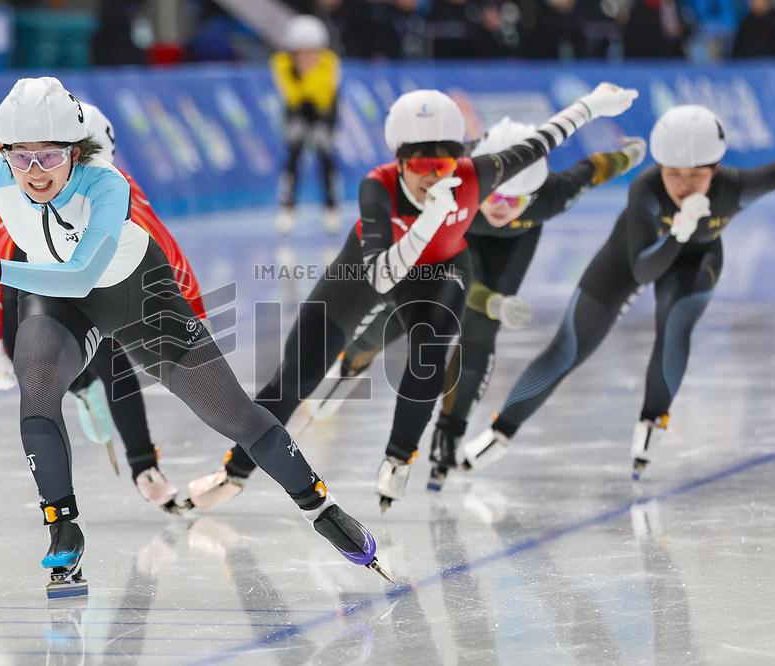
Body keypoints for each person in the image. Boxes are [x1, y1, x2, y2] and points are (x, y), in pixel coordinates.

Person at [0, 77, 388, 596]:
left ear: (75, 153)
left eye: (48, 158)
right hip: (58, 301)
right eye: (20, 157)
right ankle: (62, 528)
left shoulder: (106, 186)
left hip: (136, 295)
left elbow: (79, 274)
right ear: (2, 153)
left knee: (234, 416)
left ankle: (322, 507)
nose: (34, 173)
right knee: (37, 389)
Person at [186, 82, 640, 512]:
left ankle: (400, 456)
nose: (430, 178)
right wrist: (428, 222)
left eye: (442, 167)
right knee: (295, 375)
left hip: (441, 272)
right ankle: (236, 470)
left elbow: (543, 140)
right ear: (398, 163)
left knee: (429, 350)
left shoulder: (480, 173)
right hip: (367, 270)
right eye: (420, 168)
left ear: (459, 161)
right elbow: (383, 278)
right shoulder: (376, 188)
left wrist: (595, 104)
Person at [460, 105, 775, 479]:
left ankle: (651, 420)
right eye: (673, 173)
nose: (683, 184)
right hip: (633, 255)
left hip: (694, 263)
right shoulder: (645, 190)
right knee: (568, 345)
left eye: (696, 175)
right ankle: (501, 431)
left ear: (715, 170)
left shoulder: (736, 188)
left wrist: (687, 234)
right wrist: (680, 231)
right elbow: (643, 269)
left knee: (674, 324)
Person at [324, 117, 647, 491]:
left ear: (534, 194)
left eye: (516, 201)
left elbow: (593, 170)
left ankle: (449, 434)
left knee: (480, 334)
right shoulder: (451, 181)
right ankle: (353, 359)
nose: (502, 207)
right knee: (416, 312)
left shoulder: (551, 196)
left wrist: (628, 155)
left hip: (513, 244)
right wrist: (491, 300)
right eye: (494, 196)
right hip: (454, 225)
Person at [0, 102, 206, 514]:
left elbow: (169, 253)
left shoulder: (115, 188)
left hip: (92, 282)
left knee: (113, 357)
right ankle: (83, 389)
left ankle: (144, 465)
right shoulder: (23, 185)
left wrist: (196, 323)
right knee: (27, 354)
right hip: (33, 281)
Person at [270, 14, 342, 234]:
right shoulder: (281, 64)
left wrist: (305, 79)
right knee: (294, 151)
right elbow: (291, 97)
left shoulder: (330, 63)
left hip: (324, 110)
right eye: (302, 53)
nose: (308, 58)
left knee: (324, 152)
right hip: (296, 110)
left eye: (313, 53)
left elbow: (325, 96)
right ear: (292, 53)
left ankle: (331, 207)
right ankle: (287, 208)